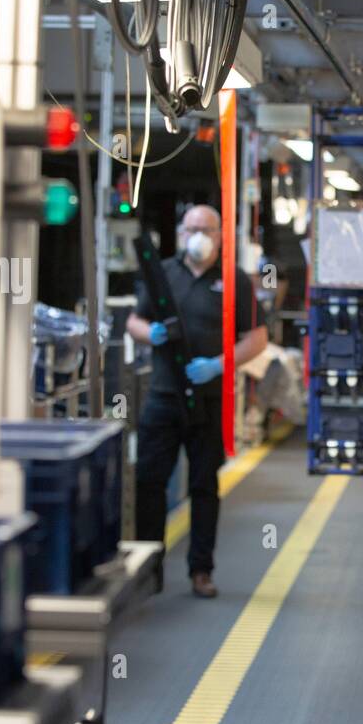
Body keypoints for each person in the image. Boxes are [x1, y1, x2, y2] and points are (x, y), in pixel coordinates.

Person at [127, 204, 269, 598]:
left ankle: (200, 571)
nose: (198, 235)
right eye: (191, 228)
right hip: (162, 396)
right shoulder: (163, 274)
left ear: (221, 234)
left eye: (206, 227)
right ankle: (148, 569)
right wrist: (148, 331)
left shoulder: (234, 280)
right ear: (180, 232)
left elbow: (257, 338)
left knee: (204, 486)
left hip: (208, 399)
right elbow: (133, 322)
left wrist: (219, 365)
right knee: (150, 483)